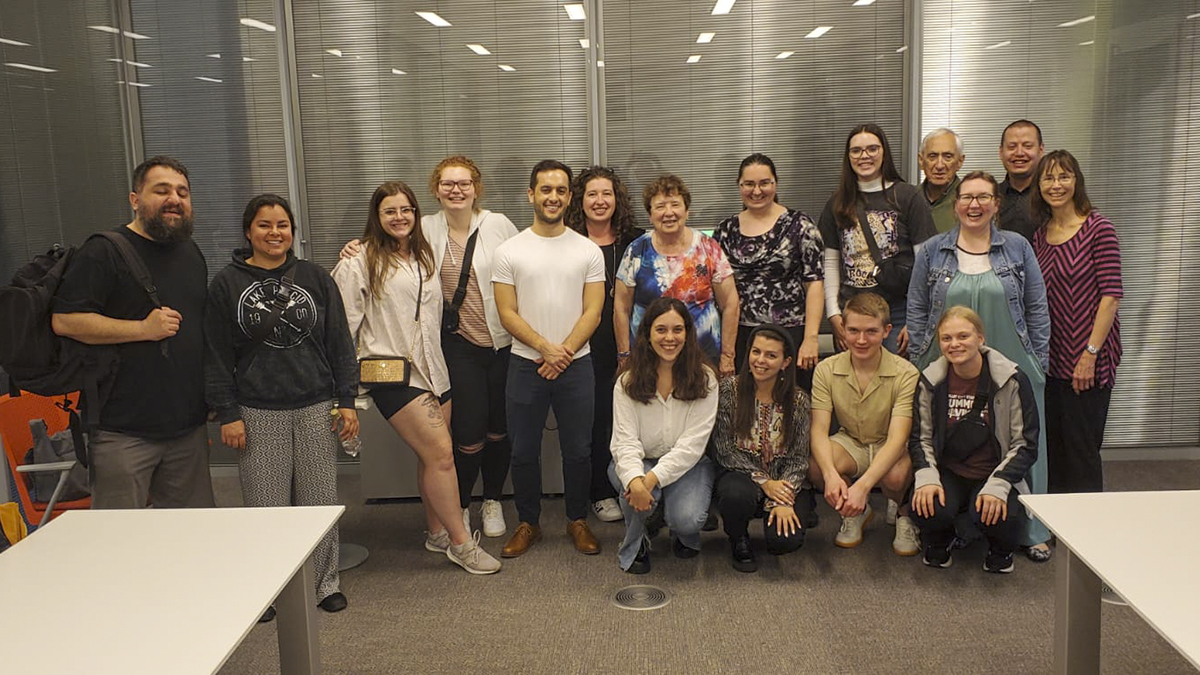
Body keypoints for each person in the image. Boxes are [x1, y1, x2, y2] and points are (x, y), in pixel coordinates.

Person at [333, 180, 500, 575]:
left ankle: (436, 532)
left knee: (430, 458)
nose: (399, 218)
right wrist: (341, 392)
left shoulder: (424, 256)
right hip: (391, 374)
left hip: (434, 371)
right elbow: (340, 328)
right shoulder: (360, 261)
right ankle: (462, 544)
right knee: (443, 456)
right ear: (377, 216)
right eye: (389, 211)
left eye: (405, 210)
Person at [204, 194, 359, 615]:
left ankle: (325, 584)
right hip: (257, 409)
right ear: (248, 231)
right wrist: (228, 412)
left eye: (282, 225)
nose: (275, 233)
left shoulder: (314, 277)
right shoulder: (226, 283)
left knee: (320, 501)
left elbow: (339, 342)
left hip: (314, 404)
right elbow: (216, 354)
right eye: (265, 225)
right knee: (265, 506)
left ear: (293, 231)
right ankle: (268, 588)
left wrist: (346, 398)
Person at [51, 156, 215, 509]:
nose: (175, 198)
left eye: (182, 192)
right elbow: (65, 320)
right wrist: (142, 329)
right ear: (135, 199)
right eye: (162, 190)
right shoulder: (104, 251)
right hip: (121, 431)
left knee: (193, 538)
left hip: (186, 428)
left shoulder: (190, 252)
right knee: (120, 543)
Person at [905, 170, 1053, 561]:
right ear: (955, 206)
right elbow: (918, 306)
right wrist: (920, 354)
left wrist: (1038, 361)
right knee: (946, 436)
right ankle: (949, 520)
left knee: (1018, 437)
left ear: (996, 204)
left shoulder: (1018, 248)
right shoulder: (934, 250)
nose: (975, 204)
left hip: (1013, 354)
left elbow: (1037, 306)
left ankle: (1032, 529)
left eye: (983, 197)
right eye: (967, 197)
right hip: (947, 355)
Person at [492, 160, 606, 558]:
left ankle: (577, 519)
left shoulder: (588, 250)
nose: (553, 197)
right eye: (545, 189)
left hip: (578, 364)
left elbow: (593, 311)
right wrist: (545, 348)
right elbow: (507, 313)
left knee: (579, 449)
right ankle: (529, 522)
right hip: (526, 364)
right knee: (523, 450)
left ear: (569, 197)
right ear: (531, 195)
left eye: (560, 190)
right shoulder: (509, 251)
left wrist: (564, 352)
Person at [910, 307, 1038, 573]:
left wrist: (999, 484)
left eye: (963, 336)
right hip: (950, 470)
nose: (954, 344)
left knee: (998, 512)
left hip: (993, 470)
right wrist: (926, 478)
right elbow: (919, 438)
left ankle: (1001, 551)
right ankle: (938, 542)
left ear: (981, 338)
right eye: (946, 338)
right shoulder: (930, 381)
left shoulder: (1012, 380)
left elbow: (1026, 445)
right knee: (926, 505)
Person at [1032, 150, 1123, 495]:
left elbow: (1111, 296)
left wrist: (1090, 354)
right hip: (1052, 359)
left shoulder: (1098, 228)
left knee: (1082, 451)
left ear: (1076, 180)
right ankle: (1056, 527)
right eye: (1048, 178)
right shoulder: (1041, 235)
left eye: (1063, 177)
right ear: (1039, 185)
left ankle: (1087, 534)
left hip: (1089, 359)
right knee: (1055, 449)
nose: (1056, 185)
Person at [607, 297, 718, 573]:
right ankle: (636, 544)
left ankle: (680, 531)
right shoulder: (627, 381)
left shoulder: (705, 379)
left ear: (688, 334)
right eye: (661, 330)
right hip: (641, 460)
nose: (670, 338)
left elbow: (692, 446)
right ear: (646, 334)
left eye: (677, 330)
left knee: (687, 519)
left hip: (688, 465)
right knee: (630, 486)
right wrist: (637, 481)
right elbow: (625, 441)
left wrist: (652, 480)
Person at [808, 292, 920, 555]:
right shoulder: (826, 369)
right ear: (842, 330)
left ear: (886, 331)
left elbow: (897, 438)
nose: (860, 340)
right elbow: (819, 431)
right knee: (816, 467)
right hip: (851, 441)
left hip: (888, 444)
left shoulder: (907, 373)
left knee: (895, 477)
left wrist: (863, 486)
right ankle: (856, 511)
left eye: (871, 331)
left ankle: (904, 513)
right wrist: (831, 476)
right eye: (854, 330)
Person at [819, 124, 937, 357]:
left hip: (899, 312)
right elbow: (830, 263)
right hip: (851, 311)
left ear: (884, 152)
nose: (864, 156)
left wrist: (916, 319)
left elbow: (927, 262)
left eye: (872, 148)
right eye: (856, 151)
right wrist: (833, 314)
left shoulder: (907, 196)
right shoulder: (837, 202)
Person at [566, 166, 642, 524]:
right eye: (592, 194)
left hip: (633, 344)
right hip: (585, 344)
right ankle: (599, 491)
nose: (600, 201)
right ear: (580, 201)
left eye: (607, 194)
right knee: (594, 422)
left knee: (632, 420)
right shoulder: (566, 242)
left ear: (617, 199)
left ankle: (635, 487)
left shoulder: (637, 241)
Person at [713, 153, 824, 390]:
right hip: (741, 336)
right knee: (742, 406)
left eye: (764, 183)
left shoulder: (801, 225)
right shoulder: (725, 231)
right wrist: (726, 349)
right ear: (739, 185)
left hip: (790, 334)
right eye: (749, 184)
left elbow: (814, 284)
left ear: (775, 183)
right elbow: (718, 292)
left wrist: (811, 338)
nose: (757, 191)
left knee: (789, 406)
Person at [710, 324, 811, 573]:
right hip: (741, 477)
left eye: (771, 355)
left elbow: (799, 458)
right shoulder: (728, 391)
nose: (761, 361)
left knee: (784, 542)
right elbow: (724, 450)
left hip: (783, 481)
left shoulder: (798, 401)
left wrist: (783, 499)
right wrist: (765, 482)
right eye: (756, 352)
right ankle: (739, 539)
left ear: (786, 362)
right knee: (735, 495)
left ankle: (777, 519)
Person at [615, 173, 739, 375]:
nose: (668, 212)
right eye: (660, 206)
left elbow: (730, 302)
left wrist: (728, 355)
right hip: (648, 359)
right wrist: (624, 355)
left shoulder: (709, 248)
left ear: (687, 211)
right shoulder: (636, 251)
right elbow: (621, 307)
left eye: (675, 204)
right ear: (650, 215)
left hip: (703, 356)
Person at [996, 119, 1046, 243]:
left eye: (1027, 146)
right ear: (1001, 152)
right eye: (1012, 147)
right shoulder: (991, 196)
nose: (1019, 153)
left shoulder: (1053, 196)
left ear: (1040, 150)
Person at [918, 128, 966, 233]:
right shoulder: (908, 199)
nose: (939, 165)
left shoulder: (970, 202)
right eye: (932, 157)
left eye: (948, 157)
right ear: (921, 160)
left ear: (960, 162)